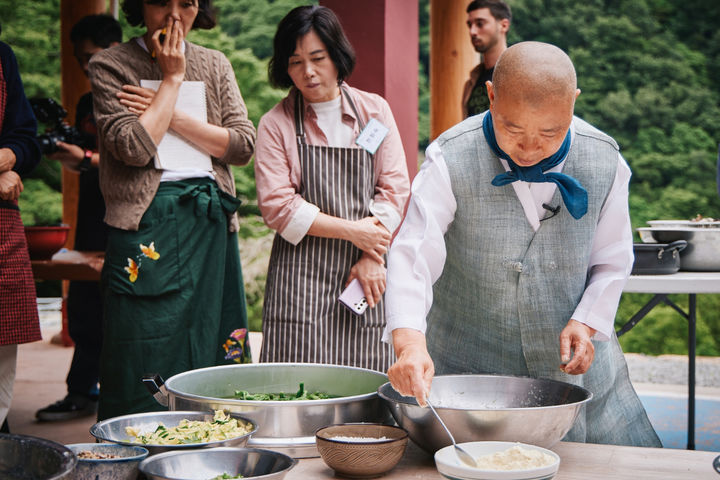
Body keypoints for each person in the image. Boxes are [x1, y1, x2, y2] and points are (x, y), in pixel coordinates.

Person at [385, 42, 661, 447]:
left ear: (574, 102)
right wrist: (409, 344)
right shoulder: (451, 156)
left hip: (574, 382)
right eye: (512, 129)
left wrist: (586, 322)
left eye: (551, 132)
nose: (530, 147)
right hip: (470, 382)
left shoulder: (605, 160)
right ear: (492, 95)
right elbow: (412, 257)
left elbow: (612, 260)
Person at [88, 0, 256, 420]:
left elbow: (241, 145)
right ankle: (138, 442)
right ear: (139, 6)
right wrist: (171, 77)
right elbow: (132, 148)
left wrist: (172, 115)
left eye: (188, 3)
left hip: (209, 215)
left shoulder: (215, 63)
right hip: (145, 220)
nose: (175, 15)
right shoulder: (111, 64)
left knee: (215, 335)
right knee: (142, 336)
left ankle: (219, 437)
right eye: (162, 2)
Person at [255, 5, 410, 373]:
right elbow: (277, 206)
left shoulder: (374, 112)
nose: (307, 72)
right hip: (300, 279)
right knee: (296, 386)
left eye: (317, 58)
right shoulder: (275, 124)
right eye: (294, 62)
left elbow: (394, 189)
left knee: (366, 386)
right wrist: (353, 231)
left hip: (365, 273)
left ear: (337, 55)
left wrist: (371, 255)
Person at [35, 14, 121, 422]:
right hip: (90, 213)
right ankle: (80, 390)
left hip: (126, 216)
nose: (86, 67)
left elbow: (138, 162)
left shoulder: (134, 94)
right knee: (84, 306)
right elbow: (86, 161)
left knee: (122, 309)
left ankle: (120, 392)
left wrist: (85, 158)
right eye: (80, 59)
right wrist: (73, 159)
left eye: (92, 57)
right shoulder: (87, 101)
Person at [0, 29, 43, 433]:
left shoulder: (1, 57)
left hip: (1, 228)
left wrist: (9, 156)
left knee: (0, 363)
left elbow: (26, 139)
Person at [461, 0, 511, 118]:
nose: (472, 31)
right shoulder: (470, 83)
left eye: (480, 24)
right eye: (470, 25)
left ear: (503, 25)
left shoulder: (521, 73)